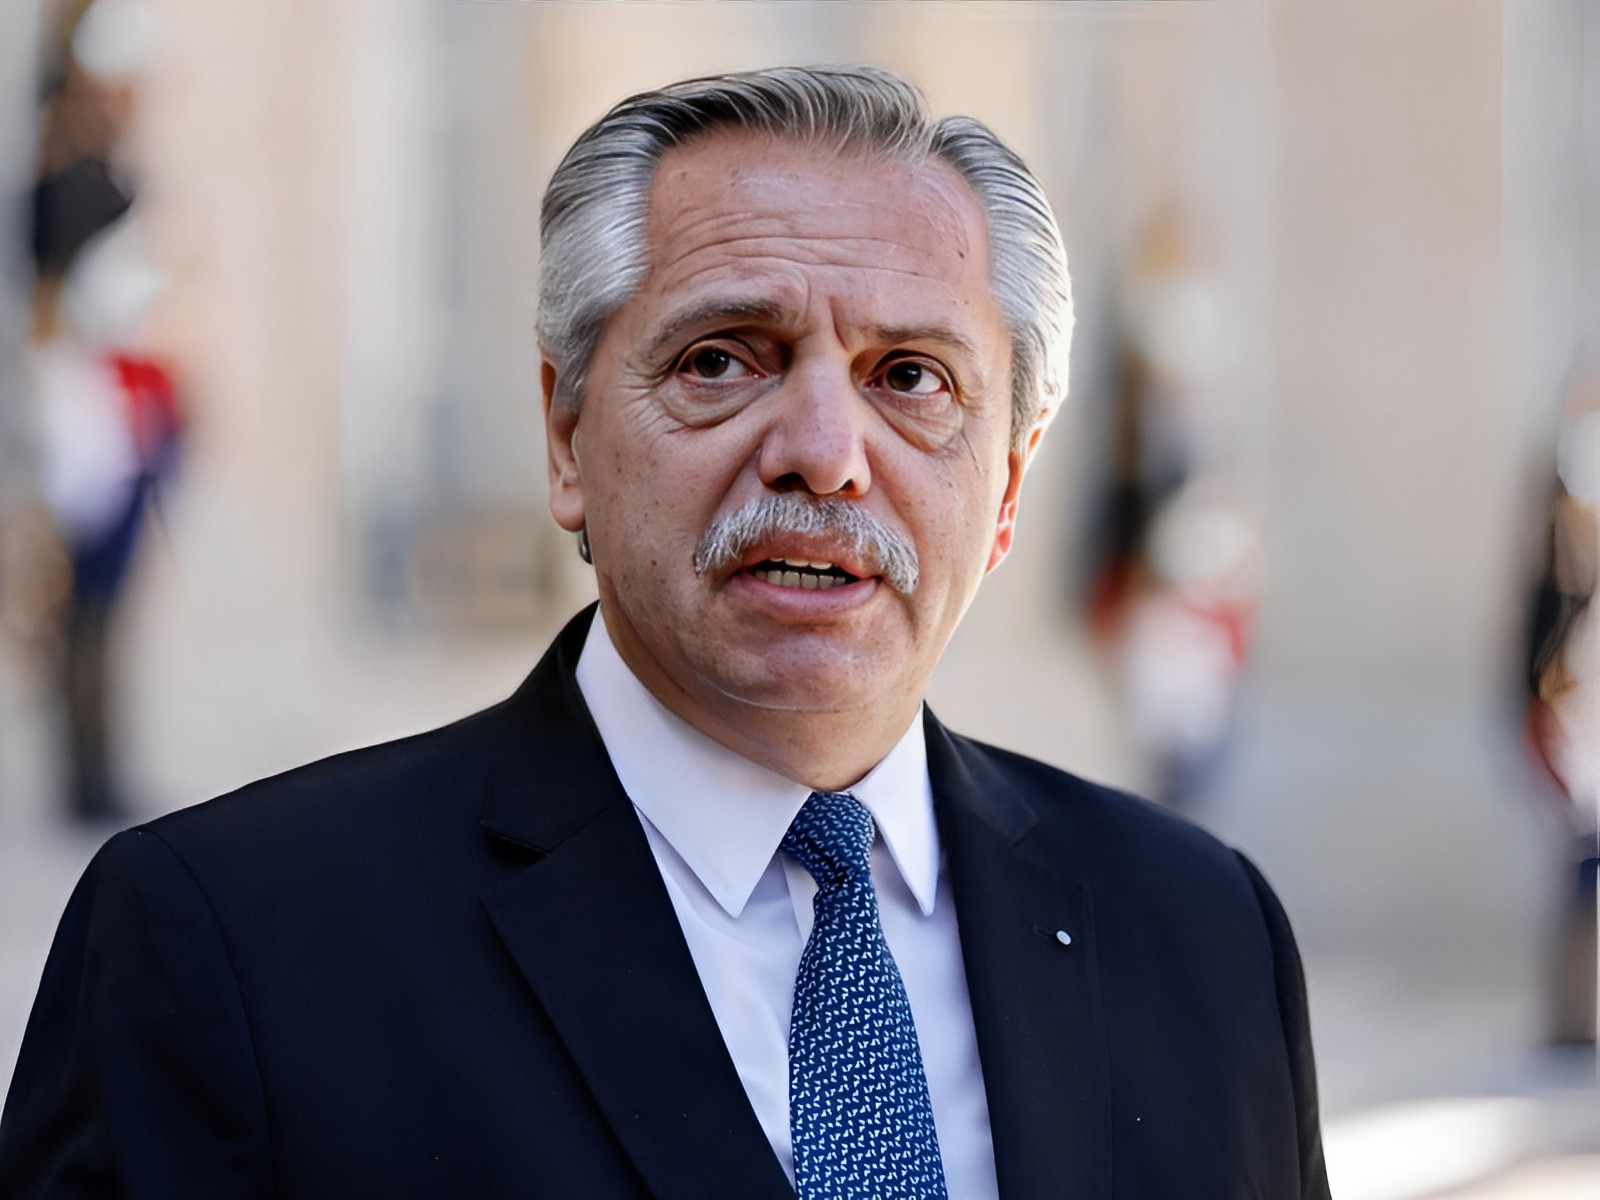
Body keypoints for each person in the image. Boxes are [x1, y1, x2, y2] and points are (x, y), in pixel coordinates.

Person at [0, 66, 1330, 1198]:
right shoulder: (232, 947)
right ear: (566, 433)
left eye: (911, 378)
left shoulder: (1205, 939)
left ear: (1012, 485)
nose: (825, 454)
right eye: (723, 359)